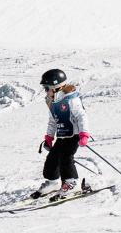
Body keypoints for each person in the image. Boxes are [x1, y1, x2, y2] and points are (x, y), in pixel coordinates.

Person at [32, 68, 90, 198]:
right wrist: (49, 137)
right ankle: (53, 182)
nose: (46, 91)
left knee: (66, 158)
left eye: (47, 88)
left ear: (57, 87)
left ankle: (71, 183)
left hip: (74, 136)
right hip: (62, 136)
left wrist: (84, 134)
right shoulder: (52, 102)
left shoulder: (71, 99)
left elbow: (82, 116)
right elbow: (53, 121)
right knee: (52, 160)